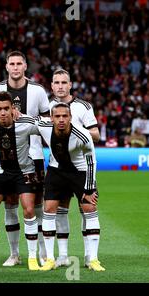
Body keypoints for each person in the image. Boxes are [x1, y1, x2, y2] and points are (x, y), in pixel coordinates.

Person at [0, 50, 50, 266]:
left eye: (18, 63)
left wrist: (25, 118)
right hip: (5, 159)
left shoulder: (38, 91)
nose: (15, 67)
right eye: (11, 63)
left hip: (34, 156)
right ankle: (14, 254)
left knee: (35, 205)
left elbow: (46, 120)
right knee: (10, 204)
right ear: (6, 67)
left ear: (25, 66)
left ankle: (41, 253)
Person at [0, 91, 41, 271]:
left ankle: (32, 258)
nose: (3, 112)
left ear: (13, 108)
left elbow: (48, 127)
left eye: (7, 108)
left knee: (29, 210)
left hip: (23, 172)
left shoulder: (26, 123)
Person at [37, 103, 105, 272]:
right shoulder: (44, 126)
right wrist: (16, 113)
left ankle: (93, 259)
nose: (61, 119)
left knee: (90, 207)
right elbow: (30, 119)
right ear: (51, 118)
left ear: (71, 118)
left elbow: (91, 162)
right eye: (57, 116)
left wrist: (89, 189)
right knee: (49, 209)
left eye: (65, 116)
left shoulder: (82, 135)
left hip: (80, 172)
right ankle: (51, 259)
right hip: (56, 171)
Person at [50, 68, 100, 268]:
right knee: (61, 210)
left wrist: (75, 131)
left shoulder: (83, 107)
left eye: (64, 83)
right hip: (58, 168)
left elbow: (95, 134)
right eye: (57, 83)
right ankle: (62, 256)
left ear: (70, 85)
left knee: (86, 207)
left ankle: (90, 256)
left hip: (80, 167)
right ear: (52, 85)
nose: (60, 86)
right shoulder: (48, 106)